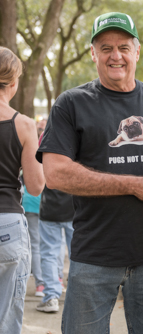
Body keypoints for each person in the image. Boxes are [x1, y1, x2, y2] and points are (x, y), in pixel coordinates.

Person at [36, 12, 143, 333]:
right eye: (105, 47)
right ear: (93, 53)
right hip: (94, 255)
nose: (116, 55)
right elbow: (56, 173)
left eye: (124, 47)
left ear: (137, 51)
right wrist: (135, 186)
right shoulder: (71, 104)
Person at [0, 46, 45, 333]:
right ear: (14, 82)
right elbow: (36, 186)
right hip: (8, 223)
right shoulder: (25, 125)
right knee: (6, 318)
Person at [35, 187, 74, 313]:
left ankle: (51, 297)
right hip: (74, 208)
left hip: (50, 208)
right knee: (78, 253)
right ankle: (80, 295)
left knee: (49, 254)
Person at [22, 117, 47, 298]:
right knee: (50, 244)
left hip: (31, 202)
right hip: (44, 204)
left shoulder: (29, 146)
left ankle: (40, 284)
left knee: (36, 245)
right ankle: (51, 281)